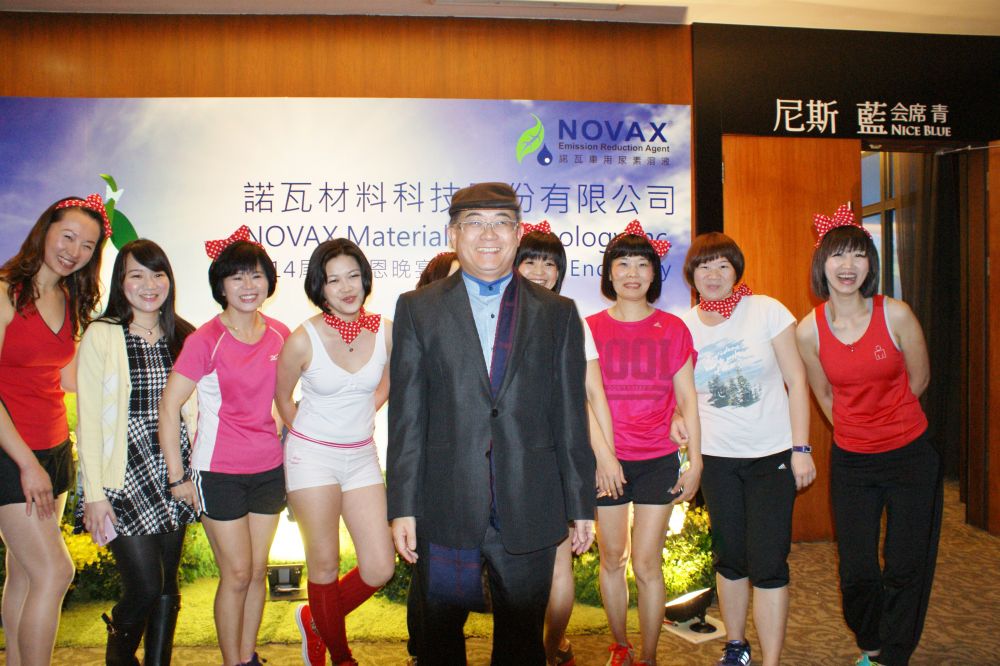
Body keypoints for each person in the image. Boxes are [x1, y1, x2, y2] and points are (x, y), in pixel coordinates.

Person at [387, 182, 595, 665]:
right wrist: (402, 506)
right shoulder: (418, 308)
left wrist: (580, 503)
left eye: (501, 223)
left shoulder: (558, 313)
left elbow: (569, 413)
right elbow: (407, 417)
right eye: (474, 223)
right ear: (453, 235)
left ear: (518, 234)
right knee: (439, 639)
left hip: (528, 503)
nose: (488, 234)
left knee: (522, 642)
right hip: (446, 504)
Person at [795, 205, 939, 666]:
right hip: (853, 462)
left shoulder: (895, 314)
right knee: (857, 569)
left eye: (858, 255)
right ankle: (871, 642)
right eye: (838, 255)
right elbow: (823, 393)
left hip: (910, 456)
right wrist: (855, 430)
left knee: (905, 563)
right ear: (822, 264)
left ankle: (894, 654)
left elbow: (919, 378)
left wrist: (888, 421)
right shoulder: (809, 330)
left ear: (870, 264)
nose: (848, 265)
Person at [676, 232, 815, 666]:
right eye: (704, 266)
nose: (713, 274)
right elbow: (680, 394)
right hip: (717, 459)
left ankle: (771, 659)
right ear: (692, 275)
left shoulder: (767, 310)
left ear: (736, 270)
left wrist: (801, 447)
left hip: (772, 456)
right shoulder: (685, 326)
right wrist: (677, 421)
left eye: (723, 265)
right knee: (730, 557)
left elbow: (798, 381)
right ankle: (736, 645)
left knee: (769, 561)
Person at [158, 226, 289, 666]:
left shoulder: (280, 334)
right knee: (235, 572)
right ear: (221, 285)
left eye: (256, 275)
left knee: (257, 571)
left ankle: (247, 656)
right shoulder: (205, 339)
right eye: (237, 277)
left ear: (269, 281)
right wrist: (178, 477)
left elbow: (287, 398)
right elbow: (169, 406)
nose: (248, 285)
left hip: (269, 469)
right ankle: (232, 661)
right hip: (218, 472)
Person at [75, 239, 197, 666]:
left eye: (157, 274)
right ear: (120, 282)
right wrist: (94, 494)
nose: (149, 284)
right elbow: (89, 421)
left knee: (166, 585)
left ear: (169, 280)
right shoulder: (102, 334)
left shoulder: (184, 335)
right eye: (137, 275)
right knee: (144, 586)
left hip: (172, 467)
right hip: (121, 473)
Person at [275, 239, 395, 666]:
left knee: (380, 567)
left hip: (361, 456)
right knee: (323, 565)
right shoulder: (302, 339)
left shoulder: (386, 331)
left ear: (365, 279)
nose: (346, 288)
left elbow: (387, 383)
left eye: (353, 276)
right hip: (312, 458)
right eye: (334, 280)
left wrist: (359, 416)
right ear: (320, 288)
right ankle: (342, 658)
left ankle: (315, 618)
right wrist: (314, 436)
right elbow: (283, 400)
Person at [586, 220, 701, 666]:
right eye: (622, 264)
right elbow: (583, 401)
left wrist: (695, 462)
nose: (632, 273)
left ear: (654, 274)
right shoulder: (589, 328)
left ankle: (649, 655)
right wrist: (604, 458)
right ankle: (621, 645)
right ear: (608, 273)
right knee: (613, 559)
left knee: (648, 563)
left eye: (641, 264)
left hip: (657, 458)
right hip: (606, 463)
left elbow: (688, 398)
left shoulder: (672, 328)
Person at [0, 194, 108, 666]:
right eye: (68, 236)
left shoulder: (69, 297)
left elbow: (66, 378)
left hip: (54, 447)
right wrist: (26, 464)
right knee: (54, 572)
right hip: (12, 454)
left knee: (24, 574)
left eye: (87, 245)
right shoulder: (6, 292)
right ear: (45, 231)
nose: (74, 251)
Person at [515, 222, 621, 666]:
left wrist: (606, 455)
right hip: (511, 458)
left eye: (550, 263)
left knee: (557, 564)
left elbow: (591, 393)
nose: (540, 271)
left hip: (551, 455)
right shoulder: (502, 313)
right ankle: (548, 648)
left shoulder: (568, 317)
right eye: (530, 261)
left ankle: (546, 648)